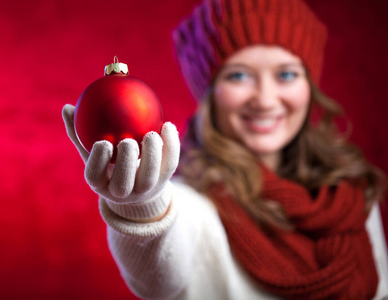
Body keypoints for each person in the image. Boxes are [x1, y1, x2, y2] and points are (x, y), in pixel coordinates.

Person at [62, 0, 388, 298]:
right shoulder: (194, 199)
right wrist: (142, 205)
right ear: (209, 91)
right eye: (239, 76)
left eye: (286, 74)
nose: (265, 99)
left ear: (309, 85)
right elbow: (158, 279)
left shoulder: (351, 193)